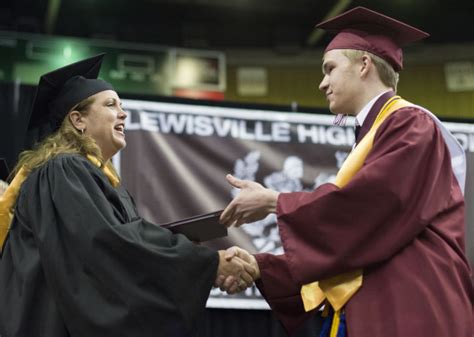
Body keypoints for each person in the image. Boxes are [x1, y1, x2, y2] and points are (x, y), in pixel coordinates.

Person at [218, 6, 473, 337]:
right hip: (380, 307)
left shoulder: (412, 125)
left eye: (330, 69)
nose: (322, 83)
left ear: (364, 65)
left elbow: (369, 207)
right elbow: (352, 236)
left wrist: (274, 201)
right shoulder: (374, 135)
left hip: (412, 307)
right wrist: (260, 267)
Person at [0, 54, 255, 337]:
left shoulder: (100, 180)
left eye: (122, 106)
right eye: (111, 105)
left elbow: (120, 245)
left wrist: (193, 255)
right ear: (77, 120)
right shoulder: (63, 169)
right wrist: (206, 264)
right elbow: (107, 242)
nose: (123, 113)